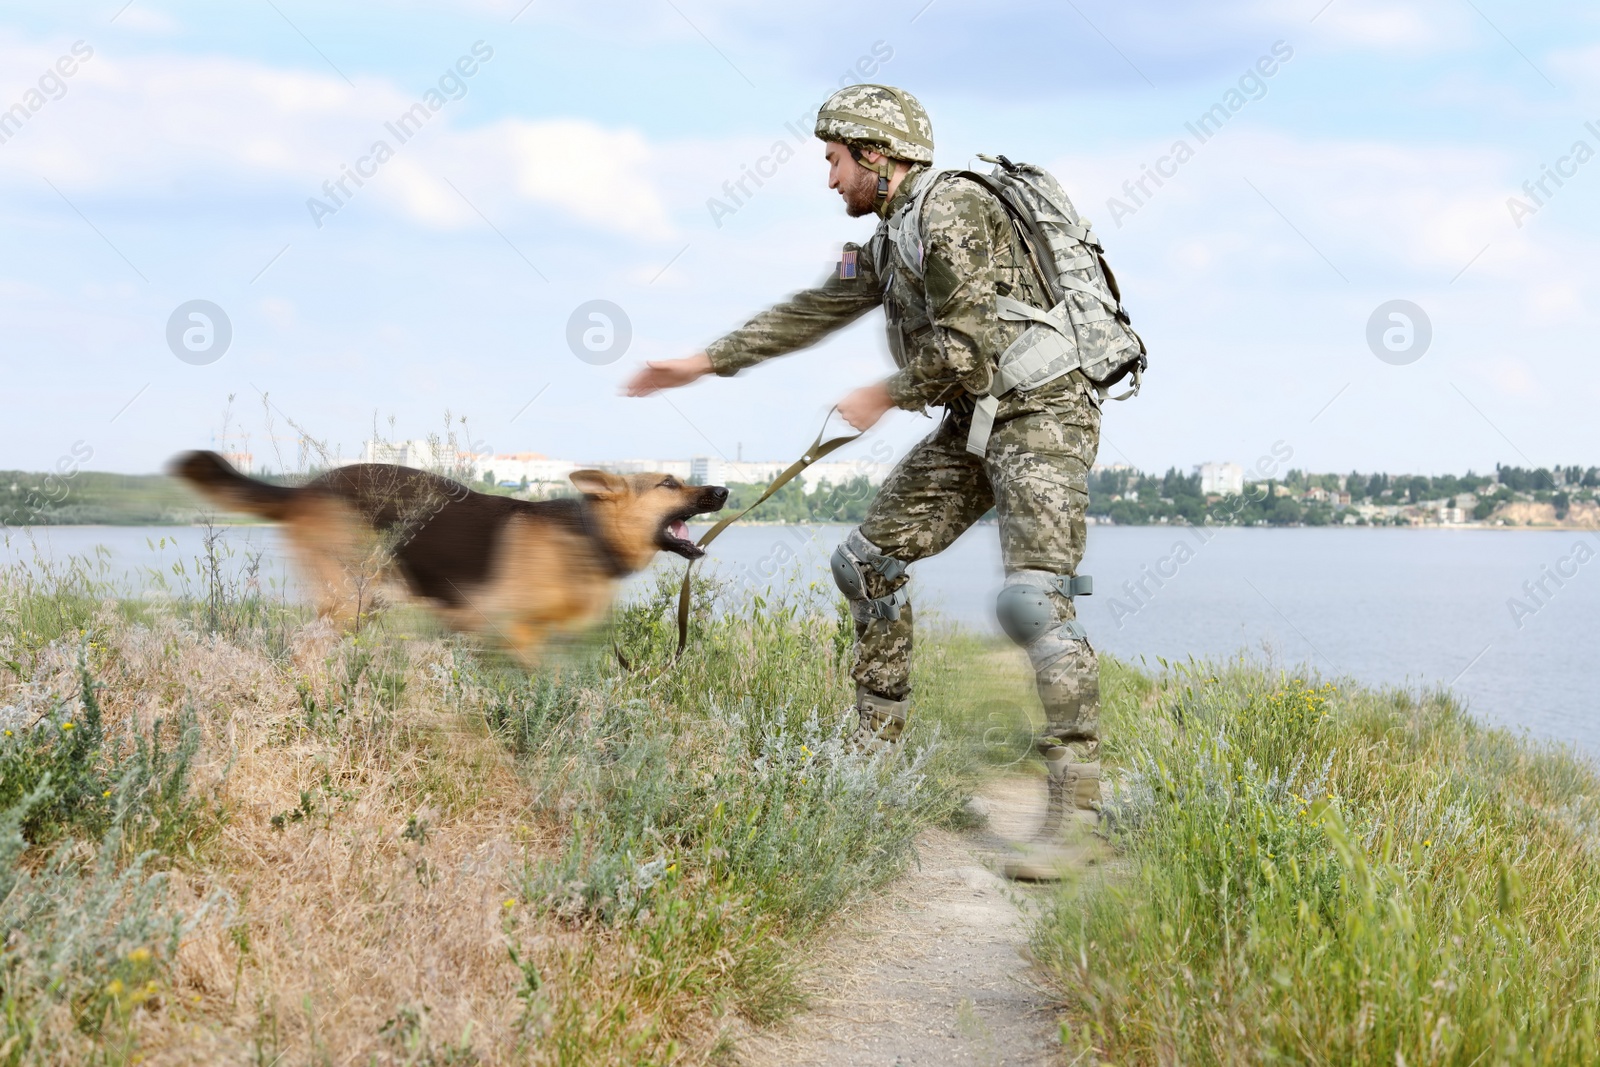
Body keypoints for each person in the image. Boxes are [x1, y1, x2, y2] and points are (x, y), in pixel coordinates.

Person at [624, 84, 1105, 879]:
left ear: (877, 156)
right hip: (976, 421)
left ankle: (1080, 812)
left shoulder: (949, 210)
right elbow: (819, 307)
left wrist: (882, 395)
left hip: (1043, 414)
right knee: (866, 560)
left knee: (1033, 602)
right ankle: (873, 753)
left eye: (835, 160)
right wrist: (701, 362)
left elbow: (965, 350)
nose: (829, 178)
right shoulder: (891, 236)